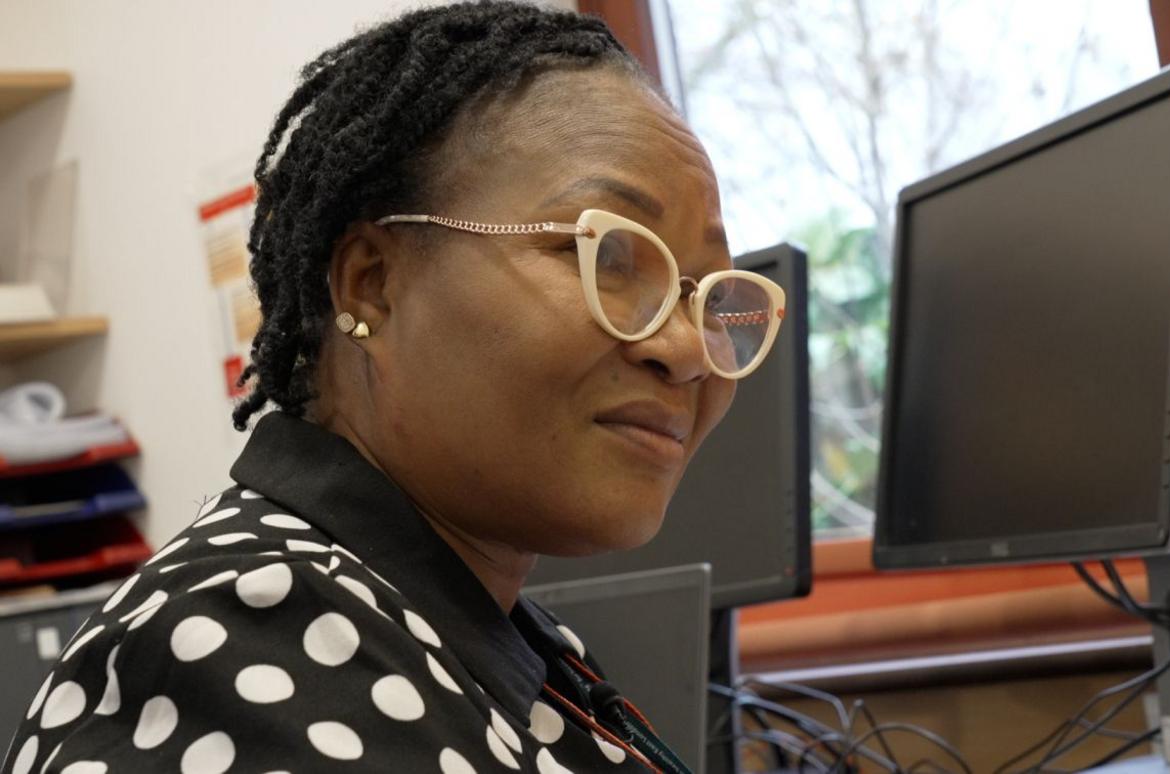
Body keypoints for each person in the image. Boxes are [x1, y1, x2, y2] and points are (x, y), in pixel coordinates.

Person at [1, 2, 787, 772]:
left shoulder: (463, 624)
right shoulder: (244, 638)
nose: (688, 349)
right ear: (372, 283)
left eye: (710, 292)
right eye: (610, 257)